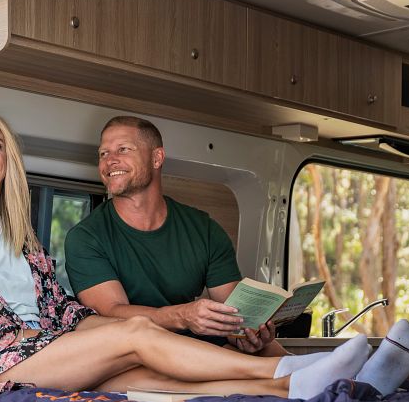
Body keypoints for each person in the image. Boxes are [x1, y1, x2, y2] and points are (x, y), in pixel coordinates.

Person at [0, 108, 378, 402]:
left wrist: (98, 331)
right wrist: (109, 331)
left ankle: (297, 388)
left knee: (153, 378)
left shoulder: (24, 241)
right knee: (135, 331)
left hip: (49, 351)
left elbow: (65, 312)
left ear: (8, 159)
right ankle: (286, 367)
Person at [65, 115, 287, 356]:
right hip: (132, 355)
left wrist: (247, 335)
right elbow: (112, 313)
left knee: (274, 355)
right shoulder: (85, 237)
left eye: (123, 149)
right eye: (103, 153)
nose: (110, 160)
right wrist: (183, 316)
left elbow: (233, 313)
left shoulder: (204, 230)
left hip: (199, 348)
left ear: (157, 158)